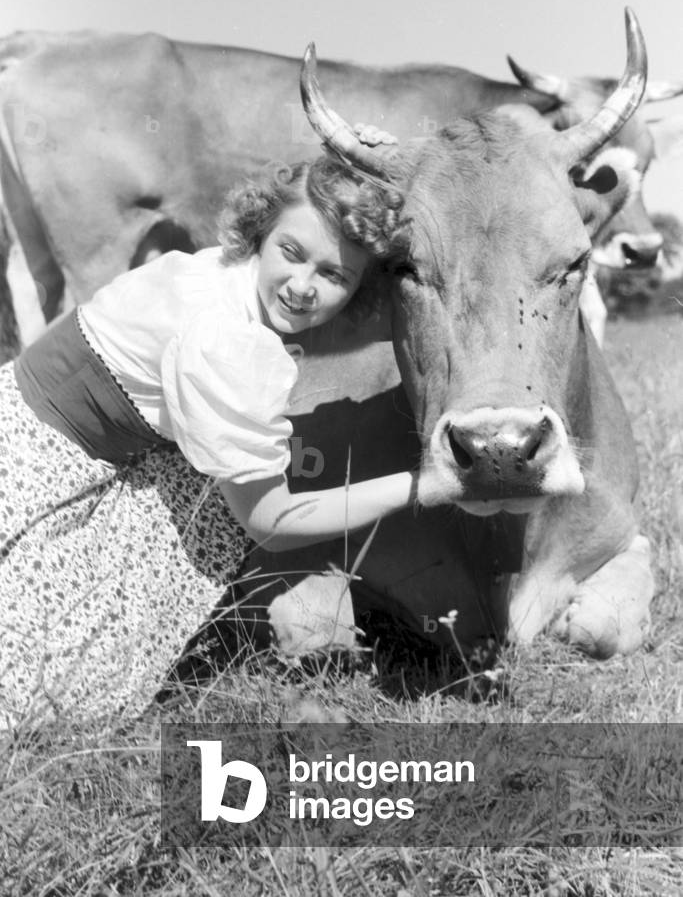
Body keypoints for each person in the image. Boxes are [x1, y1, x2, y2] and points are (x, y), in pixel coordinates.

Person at [0, 145, 418, 728]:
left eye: (333, 275)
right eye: (292, 253)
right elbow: (272, 522)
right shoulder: (226, 338)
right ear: (262, 231)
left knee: (230, 466)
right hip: (35, 468)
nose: (302, 286)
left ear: (356, 290)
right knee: (39, 680)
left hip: (21, 422)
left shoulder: (218, 272)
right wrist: (420, 486)